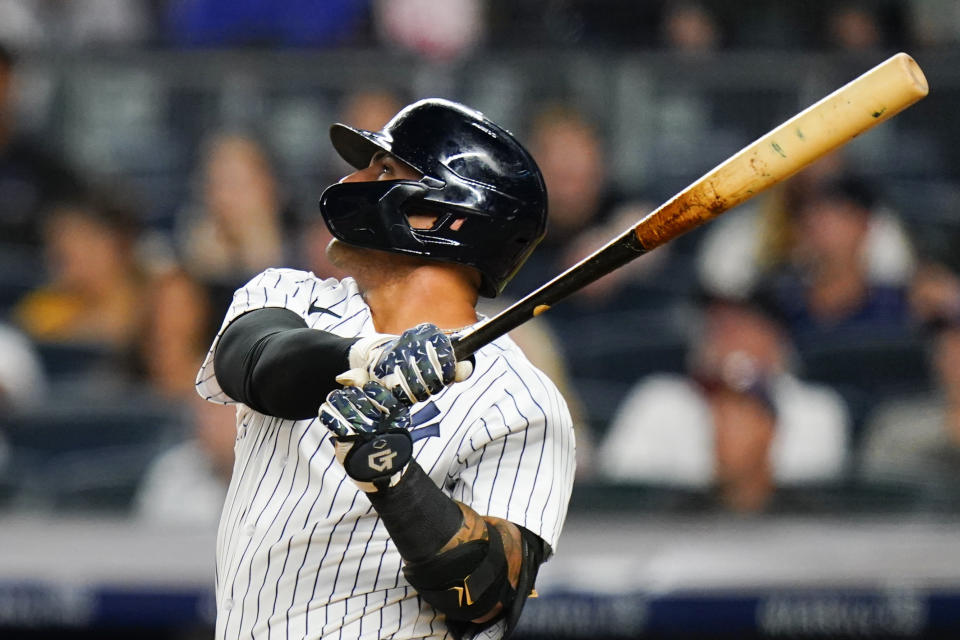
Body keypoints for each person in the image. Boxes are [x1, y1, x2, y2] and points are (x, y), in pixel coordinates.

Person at [196, 99, 575, 639]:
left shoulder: (521, 401)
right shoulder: (291, 295)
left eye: (384, 170)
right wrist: (365, 359)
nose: (353, 180)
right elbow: (251, 362)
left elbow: (487, 597)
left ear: (446, 214)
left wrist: (393, 477)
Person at [598, 294, 850, 514]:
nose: (726, 333)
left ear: (776, 338)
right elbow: (621, 494)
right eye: (717, 323)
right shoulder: (660, 398)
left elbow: (806, 500)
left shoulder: (816, 408)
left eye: (741, 323)